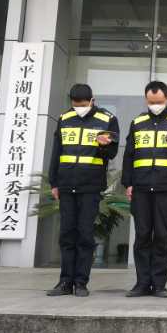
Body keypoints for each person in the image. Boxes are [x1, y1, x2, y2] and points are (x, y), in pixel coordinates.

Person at [46, 83, 119, 297]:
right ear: (71, 102)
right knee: (67, 234)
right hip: (66, 183)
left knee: (85, 234)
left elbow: (112, 154)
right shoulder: (64, 118)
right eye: (76, 104)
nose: (80, 108)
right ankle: (64, 282)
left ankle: (81, 282)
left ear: (92, 100)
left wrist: (104, 145)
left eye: (84, 104)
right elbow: (56, 152)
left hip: (90, 185)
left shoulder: (107, 119)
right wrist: (53, 183)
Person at [121, 81, 167, 298]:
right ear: (146, 100)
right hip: (141, 187)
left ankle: (159, 284)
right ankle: (142, 283)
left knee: (161, 236)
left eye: (159, 101)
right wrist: (128, 183)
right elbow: (129, 155)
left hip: (165, 188)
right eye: (151, 102)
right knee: (142, 236)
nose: (155, 105)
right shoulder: (138, 122)